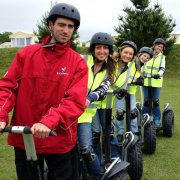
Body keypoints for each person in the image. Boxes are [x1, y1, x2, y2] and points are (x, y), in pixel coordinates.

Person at [0, 3, 88, 180]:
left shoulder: (77, 63)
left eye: (71, 27)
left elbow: (75, 101)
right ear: (50, 25)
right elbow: (8, 87)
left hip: (60, 139)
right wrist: (1, 114)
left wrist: (49, 121)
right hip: (26, 138)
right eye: (61, 25)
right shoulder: (26, 55)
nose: (66, 30)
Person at [78, 32, 116, 180]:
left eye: (105, 48)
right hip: (68, 112)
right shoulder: (82, 60)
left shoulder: (110, 69)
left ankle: (97, 177)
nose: (102, 51)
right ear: (92, 49)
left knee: (86, 150)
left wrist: (89, 98)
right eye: (98, 47)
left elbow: (104, 88)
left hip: (86, 116)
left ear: (109, 51)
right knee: (66, 151)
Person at [115, 46, 154, 143]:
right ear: (140, 54)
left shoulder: (142, 67)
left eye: (147, 58)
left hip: (131, 93)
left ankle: (134, 132)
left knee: (132, 113)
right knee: (120, 113)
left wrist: (140, 79)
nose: (145, 58)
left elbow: (139, 76)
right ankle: (120, 134)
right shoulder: (131, 62)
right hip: (120, 91)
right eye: (144, 56)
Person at [142, 38, 166, 125]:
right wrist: (141, 74)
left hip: (157, 82)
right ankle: (144, 118)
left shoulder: (162, 57)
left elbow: (162, 68)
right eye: (158, 46)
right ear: (154, 45)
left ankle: (157, 119)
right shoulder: (147, 54)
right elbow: (142, 64)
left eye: (161, 47)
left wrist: (159, 74)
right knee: (146, 101)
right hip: (146, 81)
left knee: (155, 101)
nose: (159, 48)